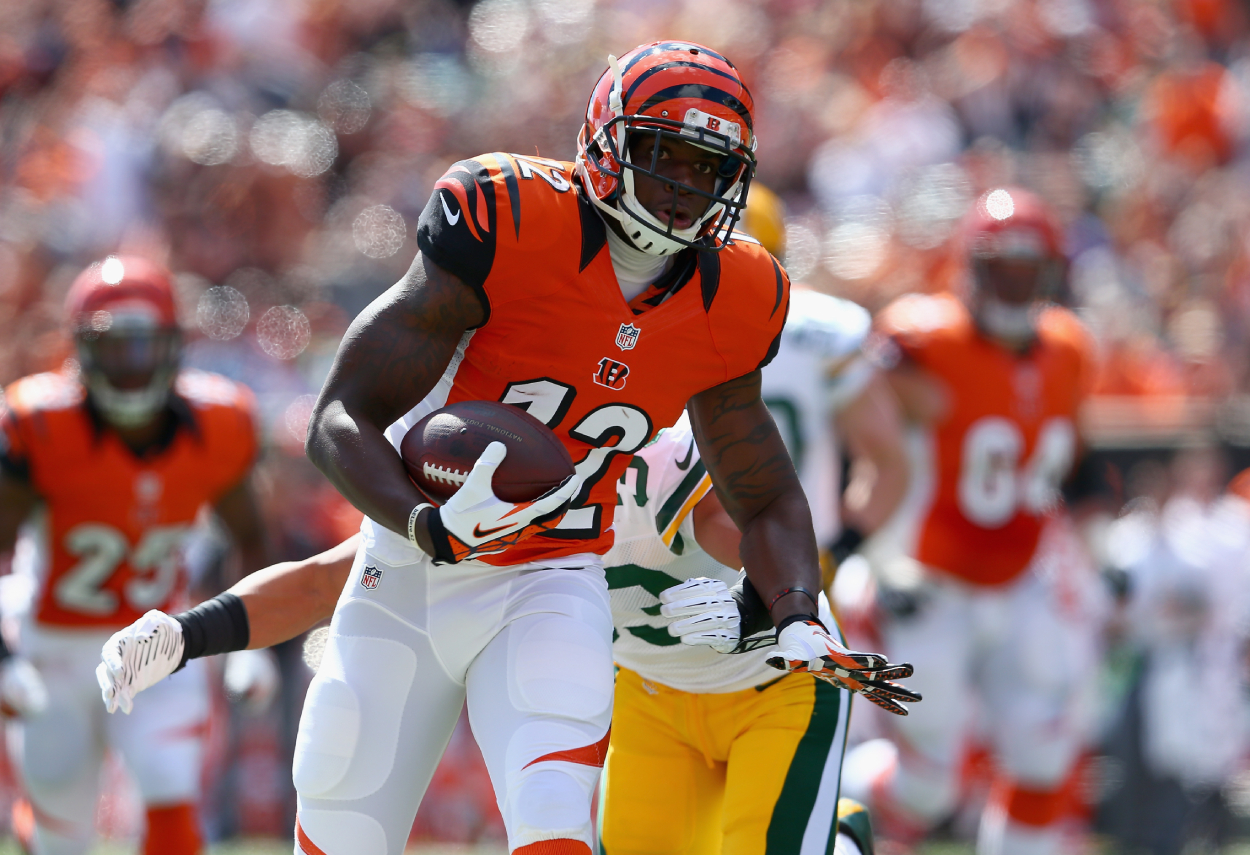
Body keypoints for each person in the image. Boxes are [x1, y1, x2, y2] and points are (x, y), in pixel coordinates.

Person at [98, 41, 913, 855]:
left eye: (709, 168)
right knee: (342, 813)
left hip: (556, 574)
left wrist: (787, 611)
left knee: (554, 816)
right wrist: (416, 527)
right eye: (665, 155)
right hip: (412, 567)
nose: (684, 188)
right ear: (608, 140)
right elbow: (340, 418)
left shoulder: (727, 312)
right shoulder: (508, 218)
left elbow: (761, 499)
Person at [98, 411, 900, 854]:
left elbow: (779, 552)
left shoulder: (651, 469)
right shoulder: (442, 497)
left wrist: (749, 605)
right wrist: (185, 632)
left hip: (770, 688)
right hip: (654, 700)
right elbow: (320, 581)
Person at [839, 187, 1097, 855]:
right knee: (927, 786)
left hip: (1021, 576)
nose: (1013, 285)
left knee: (1045, 756)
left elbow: (1067, 467)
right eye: (999, 268)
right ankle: (818, 795)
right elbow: (863, 427)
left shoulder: (1069, 348)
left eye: (1026, 270)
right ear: (970, 268)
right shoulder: (924, 339)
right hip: (930, 579)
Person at [0, 256, 267, 855]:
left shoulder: (218, 424)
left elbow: (250, 538)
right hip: (53, 647)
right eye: (114, 347)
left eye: (142, 346)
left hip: (158, 641)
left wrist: (257, 648)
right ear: (80, 351)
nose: (129, 365)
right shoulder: (39, 426)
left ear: (173, 346)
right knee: (59, 833)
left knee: (171, 789)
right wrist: (2, 657)